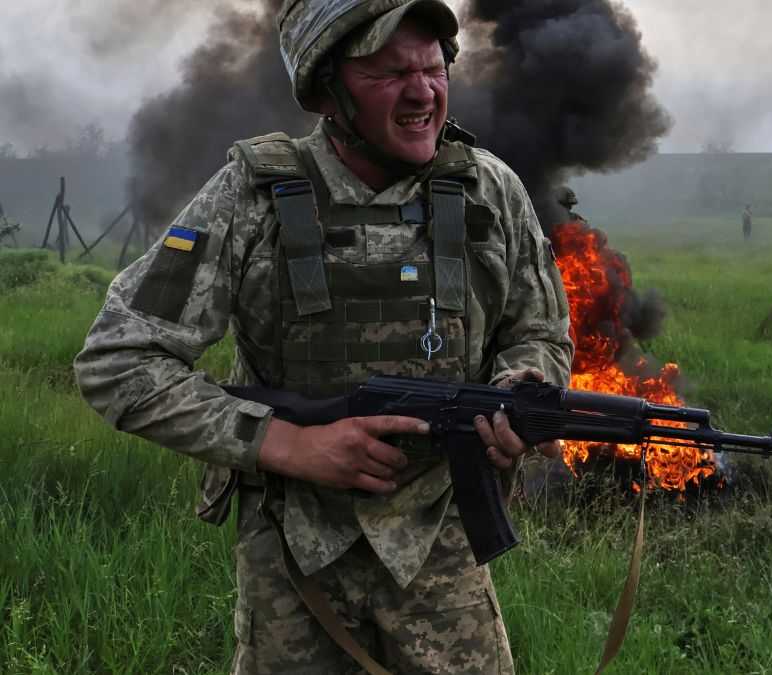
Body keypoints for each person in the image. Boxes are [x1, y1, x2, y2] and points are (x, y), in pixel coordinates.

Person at [73, 1, 573, 672]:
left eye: (433, 68)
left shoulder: (489, 190)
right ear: (328, 90)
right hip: (293, 553)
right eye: (391, 73)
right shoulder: (250, 197)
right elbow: (118, 359)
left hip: (441, 548)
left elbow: (540, 330)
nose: (423, 92)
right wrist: (289, 443)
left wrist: (521, 386)